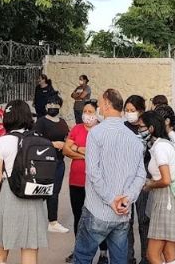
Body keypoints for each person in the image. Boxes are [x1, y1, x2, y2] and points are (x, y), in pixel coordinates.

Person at [73, 89, 147, 264]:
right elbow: (141, 175)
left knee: (83, 258)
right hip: (122, 213)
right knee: (119, 259)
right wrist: (127, 199)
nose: (98, 108)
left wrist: (110, 199)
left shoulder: (96, 133)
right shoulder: (134, 139)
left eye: (99, 104)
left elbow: (93, 172)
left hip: (97, 211)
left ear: (107, 104)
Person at [0, 100, 48, 264]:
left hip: (9, 195)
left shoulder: (1, 142)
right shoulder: (39, 139)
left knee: (0, 250)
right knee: (30, 250)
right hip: (34, 195)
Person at [63, 100, 109, 264]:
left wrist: (77, 149)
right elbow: (66, 149)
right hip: (76, 181)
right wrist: (84, 153)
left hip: (96, 183)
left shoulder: (102, 130)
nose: (87, 115)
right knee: (79, 217)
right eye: (85, 111)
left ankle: (103, 253)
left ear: (97, 114)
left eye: (90, 112)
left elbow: (103, 155)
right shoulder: (76, 129)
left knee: (99, 217)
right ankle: (78, 250)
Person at [141, 111, 175, 264]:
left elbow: (166, 180)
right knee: (169, 252)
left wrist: (150, 184)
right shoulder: (165, 144)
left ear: (151, 128)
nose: (139, 130)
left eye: (141, 127)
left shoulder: (160, 147)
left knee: (152, 254)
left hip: (165, 201)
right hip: (169, 199)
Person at [32, 94, 71, 233]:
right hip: (45, 162)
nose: (53, 106)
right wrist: (52, 144)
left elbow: (67, 137)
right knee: (43, 191)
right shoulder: (41, 122)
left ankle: (52, 221)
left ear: (60, 106)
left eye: (56, 104)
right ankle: (41, 220)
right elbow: (34, 140)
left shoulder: (62, 122)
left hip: (59, 162)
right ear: (46, 106)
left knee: (55, 192)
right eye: (50, 103)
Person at [124, 95, 150, 264]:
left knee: (144, 220)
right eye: (126, 110)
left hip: (144, 179)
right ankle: (128, 258)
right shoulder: (122, 128)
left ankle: (146, 258)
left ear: (140, 111)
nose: (129, 113)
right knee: (126, 221)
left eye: (132, 110)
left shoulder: (148, 126)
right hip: (126, 179)